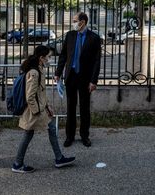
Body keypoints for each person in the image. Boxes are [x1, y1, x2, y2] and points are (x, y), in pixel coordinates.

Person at [12, 45, 75, 173]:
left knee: (49, 129)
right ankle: (18, 164)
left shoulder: (39, 69)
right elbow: (30, 96)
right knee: (28, 134)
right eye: (48, 57)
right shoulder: (34, 72)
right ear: (41, 58)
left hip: (40, 109)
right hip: (34, 111)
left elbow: (40, 93)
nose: (50, 59)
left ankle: (59, 158)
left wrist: (47, 106)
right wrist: (37, 111)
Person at [54, 12, 101, 147]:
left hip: (85, 78)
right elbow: (63, 55)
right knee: (70, 107)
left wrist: (93, 81)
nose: (73, 23)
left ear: (83, 22)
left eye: (75, 21)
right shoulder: (70, 35)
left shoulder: (94, 38)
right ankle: (70, 136)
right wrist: (58, 73)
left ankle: (84, 136)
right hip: (71, 76)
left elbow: (97, 61)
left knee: (85, 108)